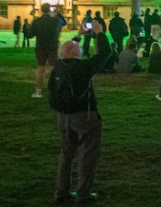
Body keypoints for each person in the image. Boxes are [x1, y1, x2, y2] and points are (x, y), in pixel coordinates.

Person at [49, 26, 111, 203]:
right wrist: (99, 32)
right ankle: (83, 194)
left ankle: (61, 192)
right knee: (87, 156)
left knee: (66, 155)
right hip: (84, 117)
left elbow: (68, 50)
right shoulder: (82, 68)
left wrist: (77, 36)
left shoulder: (58, 67)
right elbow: (104, 53)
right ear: (78, 55)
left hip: (63, 116)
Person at [31, 4, 62, 98]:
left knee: (40, 68)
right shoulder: (56, 21)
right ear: (50, 10)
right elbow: (62, 24)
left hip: (40, 46)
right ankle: (55, 90)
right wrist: (57, 13)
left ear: (41, 10)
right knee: (53, 68)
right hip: (52, 46)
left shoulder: (36, 21)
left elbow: (30, 34)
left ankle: (38, 91)